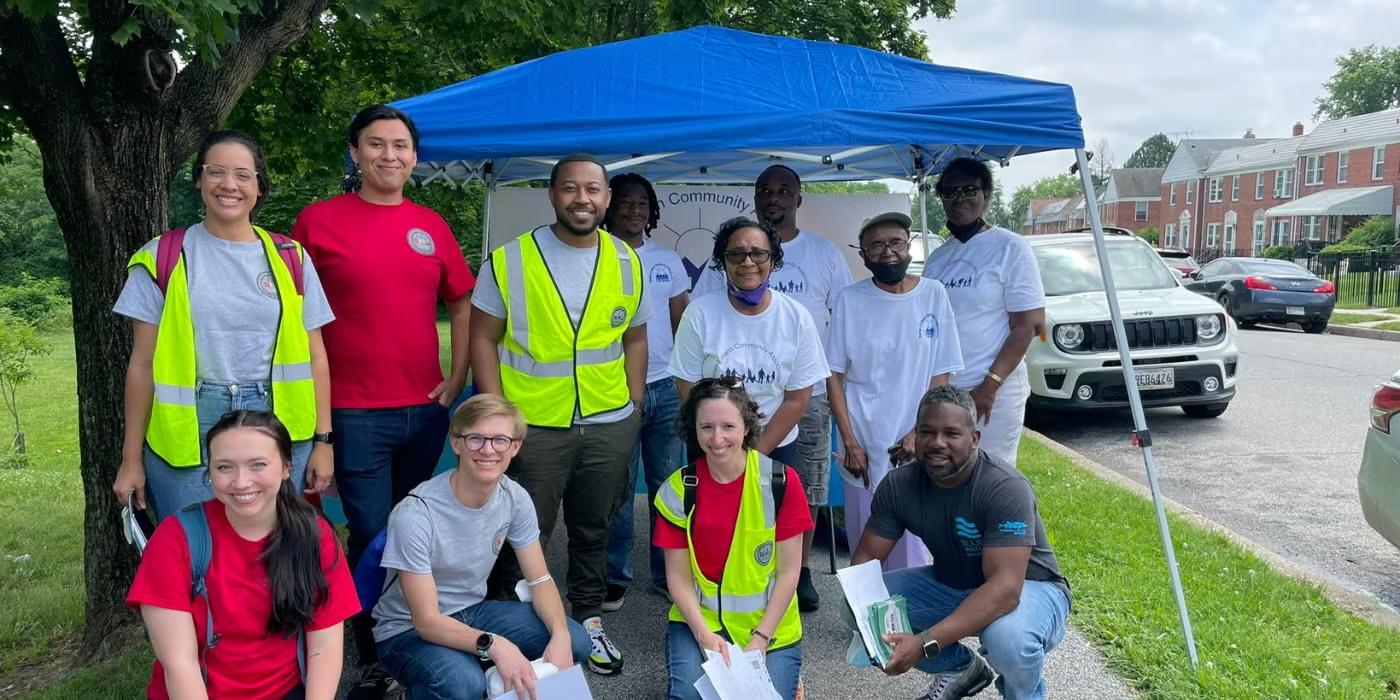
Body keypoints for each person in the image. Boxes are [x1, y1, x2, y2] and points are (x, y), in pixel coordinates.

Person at [290, 104, 476, 697]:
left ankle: (413, 633)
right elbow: (297, 320)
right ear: (355, 152)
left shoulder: (432, 225)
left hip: (424, 409)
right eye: (376, 144)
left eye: (400, 146)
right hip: (352, 411)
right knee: (372, 533)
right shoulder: (317, 222)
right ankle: (372, 654)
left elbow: (462, 302)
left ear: (415, 157)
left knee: (414, 529)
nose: (389, 155)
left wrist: (457, 374)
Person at [469, 154, 646, 676]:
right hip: (532, 425)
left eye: (592, 189)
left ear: (606, 198)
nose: (582, 199)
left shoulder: (625, 259)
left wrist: (633, 403)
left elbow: (635, 337)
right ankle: (509, 627)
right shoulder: (510, 259)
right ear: (552, 195)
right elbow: (481, 336)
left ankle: (588, 620)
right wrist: (495, 415)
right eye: (570, 188)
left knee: (595, 526)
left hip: (608, 420)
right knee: (524, 530)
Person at [113, 130, 335, 521]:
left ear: (259, 186)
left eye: (242, 175)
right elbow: (142, 365)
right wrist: (131, 459)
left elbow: (316, 354)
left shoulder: (291, 258)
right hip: (188, 430)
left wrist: (324, 441)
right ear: (198, 179)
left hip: (281, 424)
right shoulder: (160, 257)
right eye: (215, 172)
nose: (228, 185)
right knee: (195, 552)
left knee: (274, 551)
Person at [693, 164, 851, 612]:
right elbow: (705, 309)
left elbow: (842, 317)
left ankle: (797, 571)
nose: (774, 197)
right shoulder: (727, 257)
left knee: (803, 488)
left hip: (805, 392)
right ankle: (734, 567)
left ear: (799, 198)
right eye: (765, 189)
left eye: (784, 190)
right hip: (729, 410)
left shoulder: (824, 253)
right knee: (733, 491)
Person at [851, 385, 1071, 700]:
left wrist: (925, 643)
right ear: (915, 436)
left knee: (1008, 641)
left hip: (1029, 587)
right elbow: (866, 561)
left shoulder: (1004, 488)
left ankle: (1024, 692)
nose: (938, 443)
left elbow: (1005, 591)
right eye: (927, 432)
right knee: (859, 607)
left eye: (951, 434)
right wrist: (868, 623)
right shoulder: (900, 485)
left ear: (974, 439)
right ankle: (961, 669)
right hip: (954, 584)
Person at [127, 410, 360, 700]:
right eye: (224, 467)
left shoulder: (314, 535)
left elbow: (324, 647)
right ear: (209, 470)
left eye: (257, 465)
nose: (241, 482)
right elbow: (180, 664)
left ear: (287, 467)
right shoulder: (176, 540)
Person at [373, 394, 591, 699]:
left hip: (471, 610)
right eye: (476, 439)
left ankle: (489, 674)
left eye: (500, 440)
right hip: (405, 630)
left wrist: (560, 634)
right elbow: (426, 621)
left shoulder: (514, 498)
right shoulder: (416, 514)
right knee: (464, 685)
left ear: (515, 447)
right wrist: (496, 645)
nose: (488, 450)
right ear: (456, 443)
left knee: (577, 641)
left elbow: (540, 579)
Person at [653, 377, 813, 700]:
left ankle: (789, 680)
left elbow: (788, 574)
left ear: (746, 427)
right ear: (693, 430)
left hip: (771, 629)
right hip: (701, 622)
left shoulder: (781, 481)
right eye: (706, 427)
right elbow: (678, 578)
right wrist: (703, 634)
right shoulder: (677, 490)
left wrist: (761, 640)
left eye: (728, 426)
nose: (717, 438)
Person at [827, 212, 963, 571]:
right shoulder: (849, 300)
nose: (888, 253)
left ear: (908, 246)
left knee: (913, 549)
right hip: (863, 446)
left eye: (896, 243)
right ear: (864, 255)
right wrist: (850, 443)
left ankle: (909, 625)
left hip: (914, 445)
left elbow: (940, 373)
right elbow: (833, 376)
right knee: (865, 547)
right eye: (876, 246)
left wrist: (918, 433)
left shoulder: (933, 295)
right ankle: (865, 623)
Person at [669, 216, 829, 472]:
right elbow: (687, 385)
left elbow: (797, 399)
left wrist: (752, 456)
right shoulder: (699, 313)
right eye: (736, 254)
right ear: (722, 262)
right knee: (711, 513)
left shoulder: (797, 318)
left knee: (768, 512)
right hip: (713, 445)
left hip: (775, 445)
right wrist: (720, 441)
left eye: (758, 254)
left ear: (773, 260)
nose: (747, 262)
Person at [601, 172, 690, 612]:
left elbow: (681, 324)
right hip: (614, 387)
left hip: (666, 387)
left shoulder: (667, 259)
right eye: (627, 202)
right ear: (610, 206)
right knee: (617, 486)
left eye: (643, 203)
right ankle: (614, 574)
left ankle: (666, 574)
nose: (635, 209)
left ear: (651, 211)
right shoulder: (596, 254)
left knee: (667, 484)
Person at [920, 157, 1045, 466]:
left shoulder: (1010, 247)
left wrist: (990, 386)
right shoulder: (937, 259)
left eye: (969, 189)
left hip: (993, 389)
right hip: (946, 389)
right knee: (947, 470)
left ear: (986, 194)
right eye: (950, 192)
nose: (959, 198)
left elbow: (1028, 324)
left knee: (992, 472)